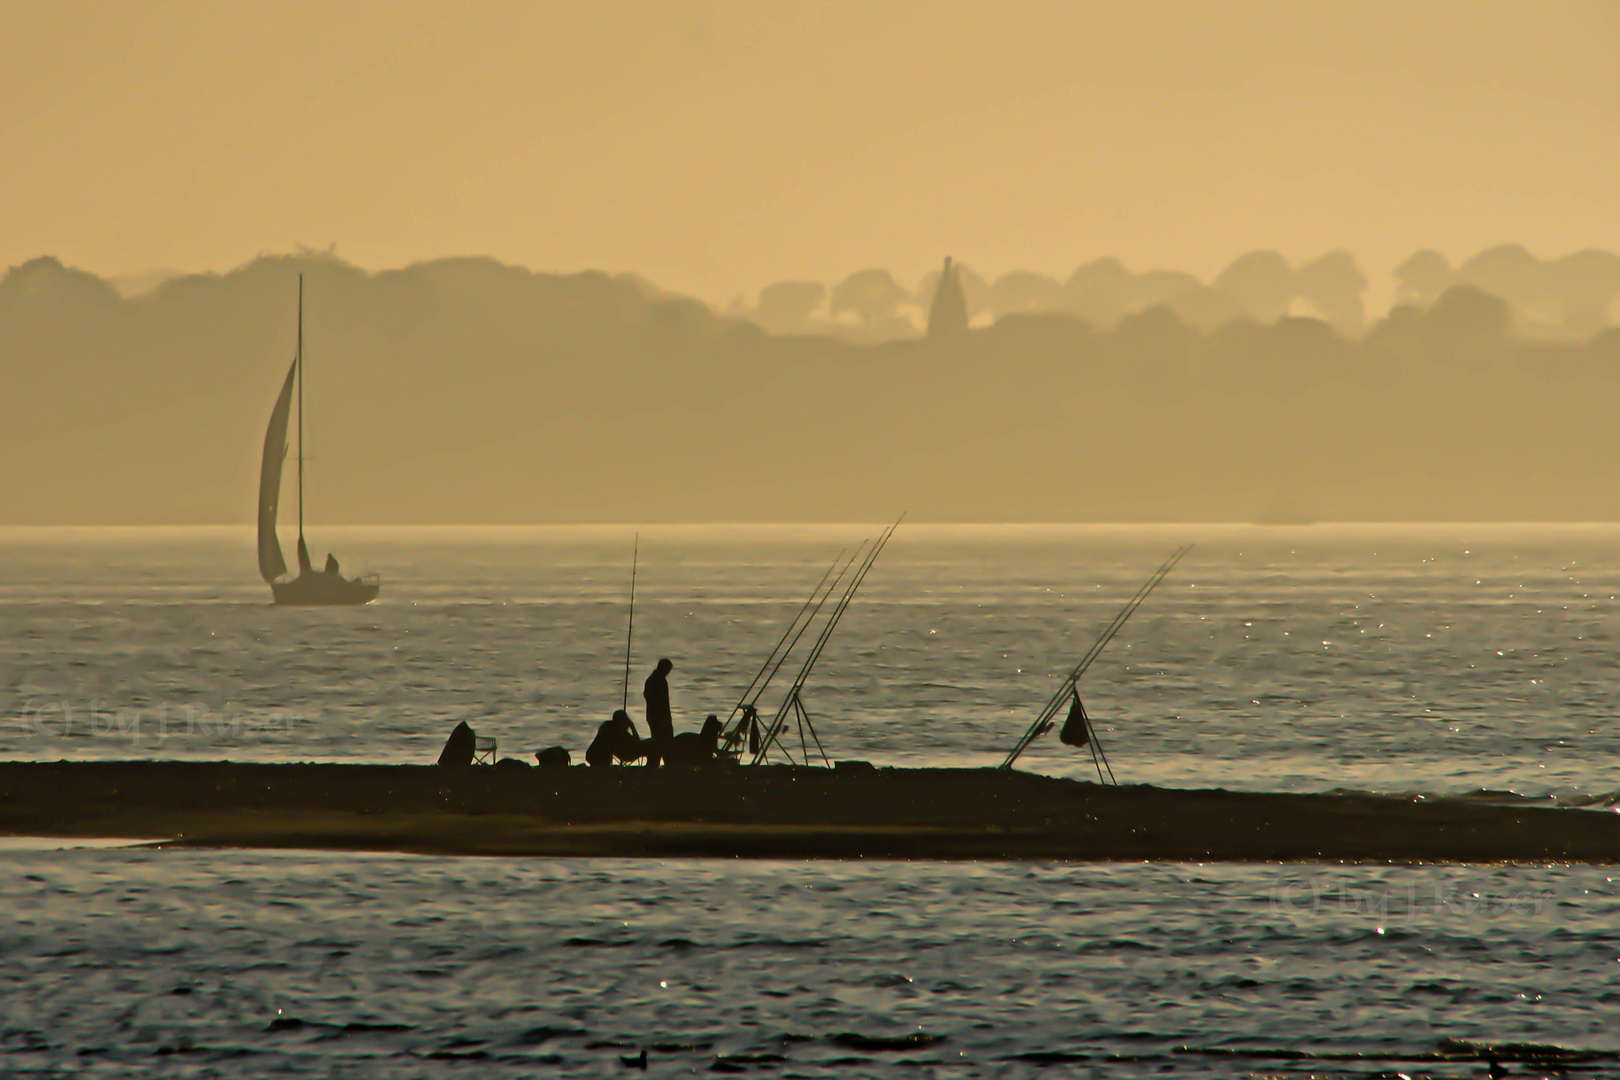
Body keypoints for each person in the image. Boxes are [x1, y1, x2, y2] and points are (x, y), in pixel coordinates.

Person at [642, 658, 675, 766]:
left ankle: (655, 763)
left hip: (653, 717)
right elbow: (662, 703)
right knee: (665, 742)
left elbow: (646, 695)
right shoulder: (659, 680)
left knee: (658, 742)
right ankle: (665, 765)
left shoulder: (652, 679)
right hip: (659, 718)